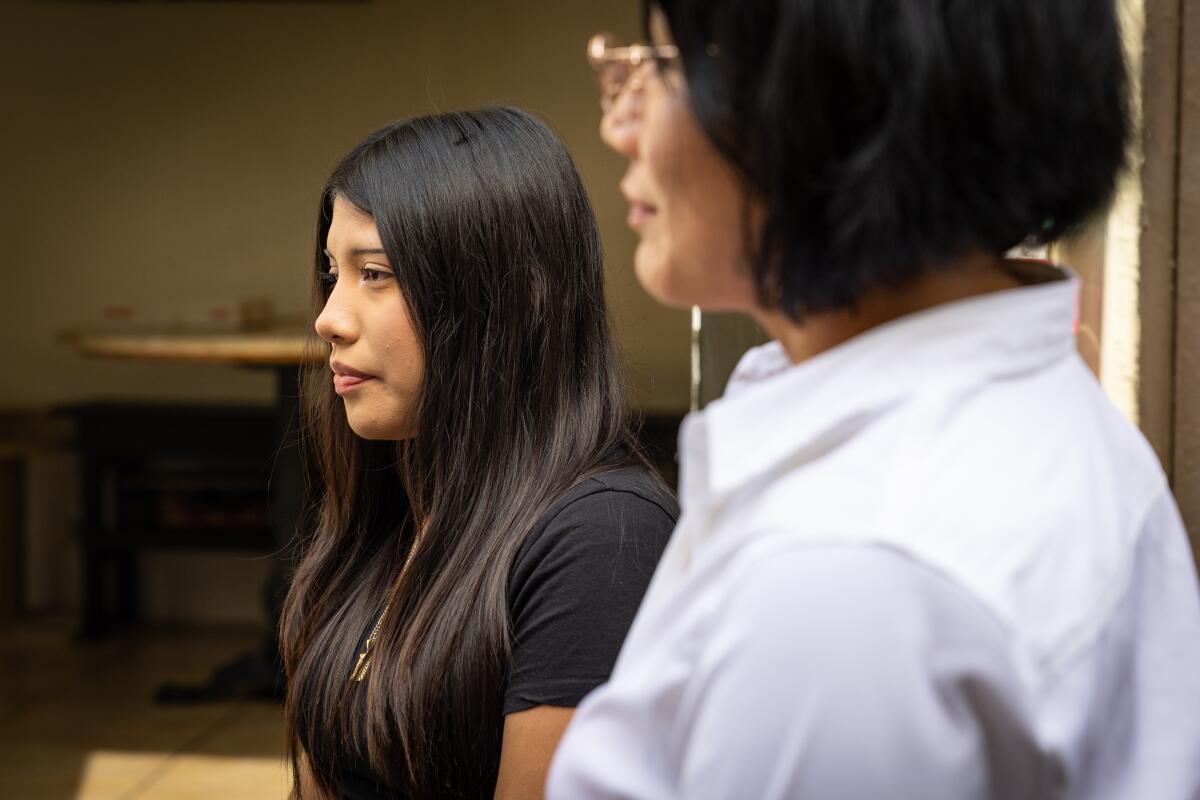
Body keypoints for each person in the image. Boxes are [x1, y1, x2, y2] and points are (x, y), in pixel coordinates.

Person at [550, 2, 1200, 798]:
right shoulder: (1019, 419)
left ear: (838, 99)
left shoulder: (853, 586)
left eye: (663, 64)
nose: (621, 121)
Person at [281, 107, 677, 800]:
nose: (329, 319)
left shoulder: (603, 537)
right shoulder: (395, 504)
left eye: (375, 273)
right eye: (332, 272)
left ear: (499, 299)